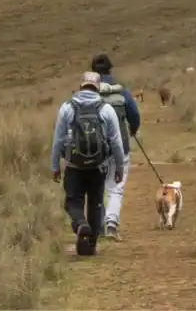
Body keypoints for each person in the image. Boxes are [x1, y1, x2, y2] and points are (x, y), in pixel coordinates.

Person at [51, 71, 126, 257]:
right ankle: (90, 244)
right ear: (98, 87)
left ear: (81, 85)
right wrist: (119, 167)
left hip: (74, 166)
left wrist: (55, 166)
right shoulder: (106, 109)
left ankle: (79, 223)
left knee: (73, 200)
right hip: (98, 167)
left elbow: (58, 140)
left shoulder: (67, 108)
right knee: (96, 202)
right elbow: (116, 142)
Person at [91, 53, 141, 241]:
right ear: (110, 70)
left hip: (94, 147)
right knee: (116, 186)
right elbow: (134, 115)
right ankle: (112, 224)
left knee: (97, 186)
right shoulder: (121, 92)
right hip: (120, 144)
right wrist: (133, 130)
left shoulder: (89, 93)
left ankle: (99, 226)